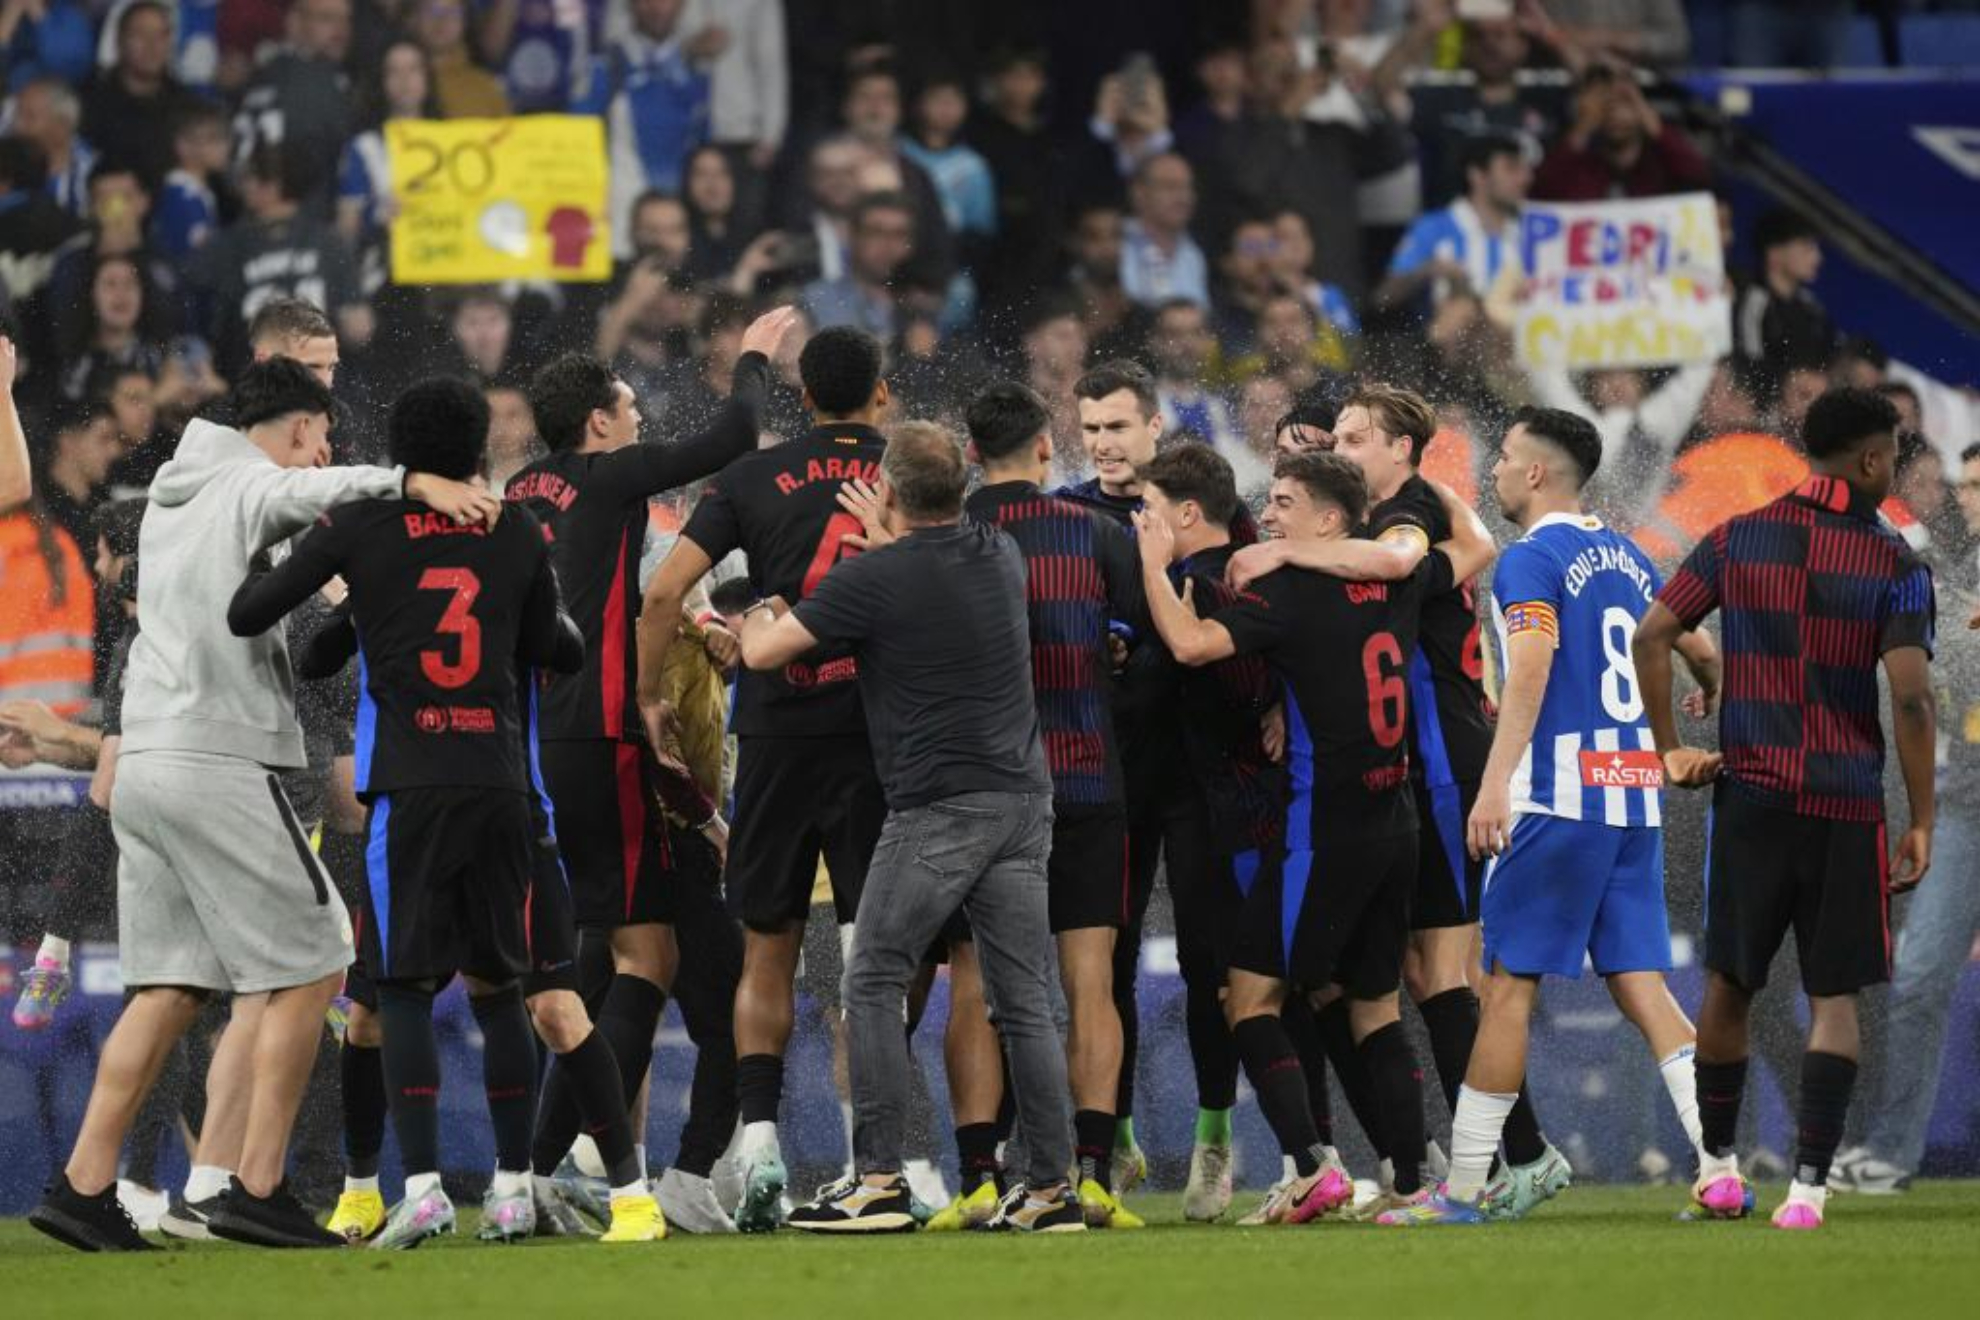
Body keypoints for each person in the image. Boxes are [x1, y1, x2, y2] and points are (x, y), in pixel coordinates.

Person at [26, 358, 496, 1252]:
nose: (323, 450)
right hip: (217, 759)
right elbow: (321, 489)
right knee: (319, 959)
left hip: (151, 761)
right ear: (290, 427)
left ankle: (83, 1187)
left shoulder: (173, 494)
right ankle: (259, 1187)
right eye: (318, 432)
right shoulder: (247, 483)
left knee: (169, 987)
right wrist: (412, 481)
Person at [226, 377, 662, 1247]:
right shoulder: (516, 531)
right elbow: (560, 650)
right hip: (503, 786)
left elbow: (252, 617)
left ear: (396, 454)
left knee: (397, 993)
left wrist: (360, 612)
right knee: (509, 992)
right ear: (473, 452)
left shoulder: (356, 527)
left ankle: (415, 1185)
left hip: (409, 791)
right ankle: (528, 1190)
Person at [735, 422, 1083, 1235]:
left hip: (937, 806)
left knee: (872, 981)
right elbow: (930, 564)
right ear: (960, 488)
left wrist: (756, 610)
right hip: (1023, 801)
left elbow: (766, 654)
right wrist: (892, 528)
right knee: (1024, 1001)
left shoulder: (873, 579)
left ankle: (881, 1179)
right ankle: (1049, 1190)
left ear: (888, 491)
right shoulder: (999, 556)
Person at [1379, 406, 1722, 1225]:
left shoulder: (1532, 559)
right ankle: (1721, 1164)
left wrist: (1495, 785)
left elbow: (1528, 670)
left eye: (1502, 458)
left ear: (1537, 473)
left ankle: (1466, 1191)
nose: (1492, 470)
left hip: (1558, 800)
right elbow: (1700, 648)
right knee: (1644, 985)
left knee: (1504, 990)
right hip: (1631, 794)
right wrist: (1706, 688)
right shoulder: (1632, 555)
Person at [1133, 451, 1495, 1225]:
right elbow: (1474, 544)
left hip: (1319, 831)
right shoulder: (1402, 579)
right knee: (1372, 1007)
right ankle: (1409, 1180)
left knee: (1249, 997)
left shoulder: (1290, 591)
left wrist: (1154, 568)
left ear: (1332, 520)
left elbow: (1194, 646)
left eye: (1287, 503)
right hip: (1394, 823)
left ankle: (1311, 1169)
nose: (1270, 515)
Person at [1228, 383, 1561, 1215]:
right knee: (1413, 976)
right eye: (1336, 435)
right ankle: (1488, 1157)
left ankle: (1510, 1158)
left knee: (1440, 974)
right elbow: (1470, 543)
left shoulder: (1402, 514)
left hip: (1445, 761)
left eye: (1354, 435)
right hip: (1413, 771)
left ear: (1402, 451)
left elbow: (1400, 561)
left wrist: (1286, 554)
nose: (1341, 447)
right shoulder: (1407, 510)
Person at [504, 307, 794, 1223]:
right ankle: (569, 1171)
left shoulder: (519, 492)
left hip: (536, 743)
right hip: (601, 735)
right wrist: (750, 357)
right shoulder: (606, 477)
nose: (636, 419)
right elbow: (733, 435)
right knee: (644, 955)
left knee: (600, 960)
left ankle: (551, 1165)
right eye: (627, 406)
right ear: (597, 422)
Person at [1633, 386, 1938, 1231]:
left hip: (1752, 795)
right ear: (1873, 459)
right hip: (1845, 802)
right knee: (1835, 999)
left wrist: (1668, 751)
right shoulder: (1896, 566)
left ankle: (1721, 1173)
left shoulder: (1736, 538)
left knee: (1730, 983)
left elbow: (1651, 636)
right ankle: (1808, 1191)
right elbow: (1911, 701)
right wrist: (1922, 818)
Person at [636, 325, 892, 1232]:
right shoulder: (904, 474)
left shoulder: (748, 480)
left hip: (777, 732)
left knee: (769, 944)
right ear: (881, 394)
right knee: (873, 955)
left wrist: (646, 697)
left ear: (806, 399)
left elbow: (664, 594)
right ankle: (881, 1161)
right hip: (875, 734)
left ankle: (759, 1143)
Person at [949, 381, 1143, 1230]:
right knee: (1088, 980)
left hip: (979, 791)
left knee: (975, 983)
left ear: (969, 455)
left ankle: (979, 1179)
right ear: (1044, 448)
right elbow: (1148, 643)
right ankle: (1090, 1174)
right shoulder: (1097, 533)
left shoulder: (945, 539)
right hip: (1088, 777)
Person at [1134, 443, 1287, 1223]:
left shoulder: (1207, 582)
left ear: (1187, 513)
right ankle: (1282, 1149)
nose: (1141, 523)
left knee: (1233, 981)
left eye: (1151, 508)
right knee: (1223, 979)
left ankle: (1271, 1151)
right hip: (1220, 806)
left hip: (1231, 811)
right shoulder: (1252, 570)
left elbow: (1202, 658)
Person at [1836, 440, 1980, 1193]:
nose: (1968, 498)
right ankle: (1892, 1154)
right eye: (1964, 485)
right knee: (1919, 976)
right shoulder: (1951, 580)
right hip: (1965, 807)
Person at [1378, 132, 1530, 318]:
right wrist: (1428, 270)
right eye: (1511, 168)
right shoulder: (1433, 227)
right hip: (1449, 340)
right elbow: (1384, 298)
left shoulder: (1533, 232)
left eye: (1525, 170)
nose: (1524, 179)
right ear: (1477, 175)